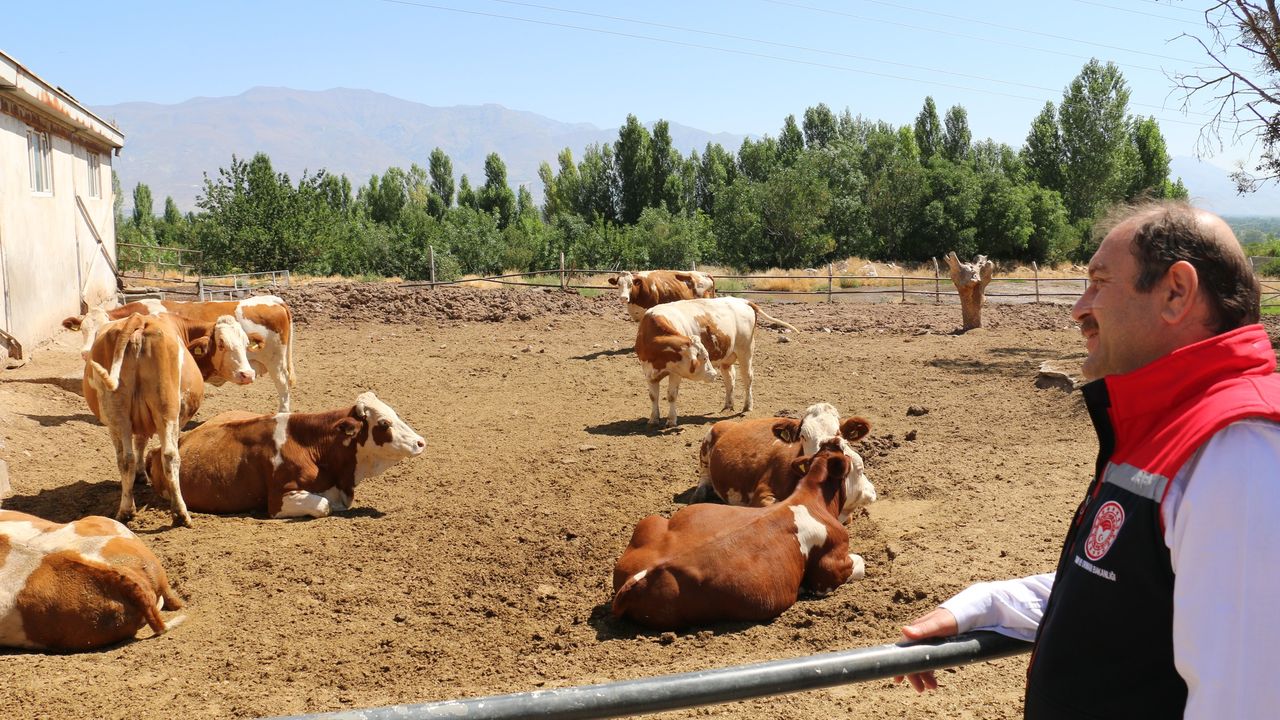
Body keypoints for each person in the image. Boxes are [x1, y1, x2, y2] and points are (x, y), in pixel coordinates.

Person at [896, 201, 1280, 719]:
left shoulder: (1237, 449)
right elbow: (1131, 588)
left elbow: (1244, 703)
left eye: (1099, 282)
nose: (1079, 308)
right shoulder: (1173, 430)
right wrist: (983, 605)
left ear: (1176, 292)